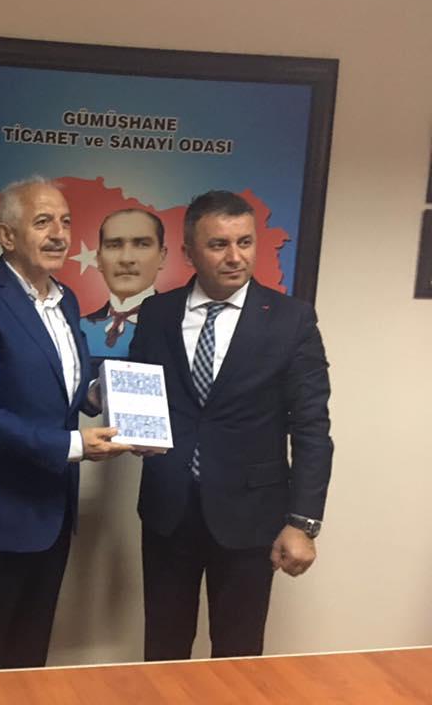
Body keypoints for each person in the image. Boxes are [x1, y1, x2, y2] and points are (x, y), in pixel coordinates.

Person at [128, 190, 333, 660]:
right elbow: (142, 392)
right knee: (162, 649)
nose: (235, 257)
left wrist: (302, 523)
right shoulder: (157, 313)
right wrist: (131, 427)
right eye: (219, 244)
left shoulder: (291, 320)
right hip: (168, 510)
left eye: (245, 242)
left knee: (238, 656)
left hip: (251, 516)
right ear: (188, 252)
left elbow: (311, 428)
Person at [0, 176, 132, 672]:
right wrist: (75, 446)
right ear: (7, 236)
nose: (59, 234)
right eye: (43, 222)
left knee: (27, 659)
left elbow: (63, 387)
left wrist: (100, 395)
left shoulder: (65, 300)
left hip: (53, 513)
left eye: (65, 222)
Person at [82, 209, 167, 357]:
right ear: (99, 259)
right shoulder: (77, 329)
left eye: (142, 244)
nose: (126, 259)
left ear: (162, 256)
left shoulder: (180, 327)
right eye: (114, 245)